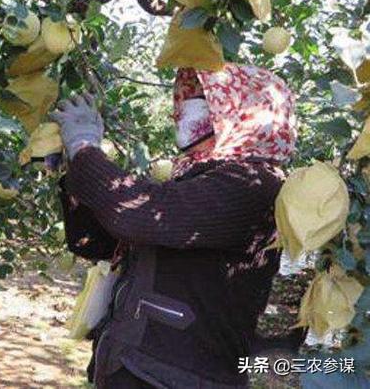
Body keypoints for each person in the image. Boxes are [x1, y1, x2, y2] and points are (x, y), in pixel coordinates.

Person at [49, 63, 298, 389]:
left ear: (243, 111)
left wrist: (85, 148)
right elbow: (96, 243)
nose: (182, 110)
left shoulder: (254, 184)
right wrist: (74, 169)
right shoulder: (198, 176)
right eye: (186, 99)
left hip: (180, 377)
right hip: (141, 368)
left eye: (204, 100)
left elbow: (138, 216)